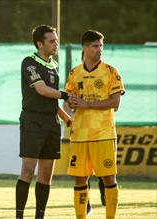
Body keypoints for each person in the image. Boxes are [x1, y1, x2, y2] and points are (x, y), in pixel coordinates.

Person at [65, 29, 125, 219]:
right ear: (85, 48)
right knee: (80, 179)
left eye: (101, 46)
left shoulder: (110, 71)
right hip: (80, 135)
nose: (100, 50)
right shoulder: (75, 73)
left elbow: (115, 103)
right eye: (95, 46)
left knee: (109, 178)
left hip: (103, 134)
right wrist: (70, 104)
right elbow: (68, 101)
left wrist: (87, 103)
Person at [15, 24, 72, 219]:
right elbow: (42, 90)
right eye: (52, 41)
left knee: (46, 176)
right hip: (33, 121)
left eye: (56, 40)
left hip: (51, 123)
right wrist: (66, 95)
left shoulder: (54, 64)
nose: (56, 43)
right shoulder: (29, 62)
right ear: (40, 43)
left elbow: (52, 99)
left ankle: (40, 216)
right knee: (28, 172)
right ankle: (19, 216)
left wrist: (68, 120)